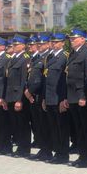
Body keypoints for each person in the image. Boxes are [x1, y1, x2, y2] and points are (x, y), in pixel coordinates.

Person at [66, 28, 87, 168]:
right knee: (78, 129)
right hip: (72, 96)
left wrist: (84, 96)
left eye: (74, 38)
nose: (72, 41)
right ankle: (82, 155)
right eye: (71, 39)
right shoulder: (73, 54)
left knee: (86, 129)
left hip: (81, 97)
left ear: (83, 39)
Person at [43, 33, 70, 164]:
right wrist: (44, 98)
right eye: (52, 42)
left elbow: (65, 81)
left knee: (62, 128)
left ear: (63, 43)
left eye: (56, 42)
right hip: (49, 97)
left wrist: (63, 99)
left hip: (58, 98)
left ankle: (63, 154)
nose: (53, 44)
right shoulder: (50, 57)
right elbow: (46, 80)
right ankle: (57, 152)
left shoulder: (65, 57)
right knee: (53, 127)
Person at [26, 33, 53, 161]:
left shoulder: (48, 57)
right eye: (38, 44)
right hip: (34, 95)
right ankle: (43, 149)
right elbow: (31, 77)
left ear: (48, 44)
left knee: (44, 125)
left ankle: (47, 151)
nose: (39, 46)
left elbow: (41, 79)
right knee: (38, 125)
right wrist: (28, 91)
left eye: (42, 44)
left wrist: (30, 91)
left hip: (40, 95)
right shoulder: (38, 58)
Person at [5, 35, 32, 157]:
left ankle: (24, 149)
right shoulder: (13, 59)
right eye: (13, 45)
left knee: (22, 124)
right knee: (15, 124)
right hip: (10, 95)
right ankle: (20, 147)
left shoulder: (25, 59)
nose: (14, 47)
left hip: (18, 97)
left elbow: (23, 81)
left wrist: (19, 100)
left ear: (23, 46)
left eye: (16, 45)